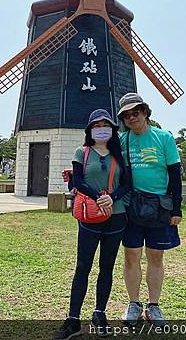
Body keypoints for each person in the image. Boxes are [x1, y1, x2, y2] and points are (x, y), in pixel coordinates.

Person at [54, 109, 131, 340]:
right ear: (90, 130)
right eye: (96, 125)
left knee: (106, 267)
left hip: (116, 216)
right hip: (90, 216)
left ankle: (99, 314)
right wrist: (100, 197)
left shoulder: (120, 154)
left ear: (113, 129)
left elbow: (127, 184)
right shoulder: (82, 152)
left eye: (105, 124)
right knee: (83, 266)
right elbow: (78, 181)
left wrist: (113, 197)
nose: (101, 129)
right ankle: (73, 319)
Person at [117, 93, 182, 327]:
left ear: (145, 112)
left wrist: (177, 208)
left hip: (160, 207)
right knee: (131, 255)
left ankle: (153, 306)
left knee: (156, 256)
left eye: (136, 112)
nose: (131, 117)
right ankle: (134, 304)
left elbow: (175, 175)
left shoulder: (163, 138)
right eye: (126, 115)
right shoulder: (121, 140)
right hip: (131, 206)